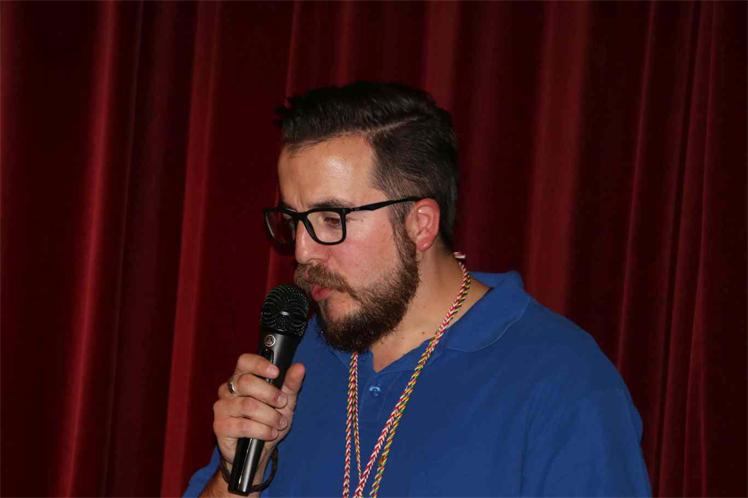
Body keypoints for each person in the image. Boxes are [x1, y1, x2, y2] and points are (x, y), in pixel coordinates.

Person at [184, 82, 651, 497]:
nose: (304, 253)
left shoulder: (563, 383)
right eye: (294, 222)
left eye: (331, 219)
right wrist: (237, 475)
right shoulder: (297, 360)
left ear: (420, 224)